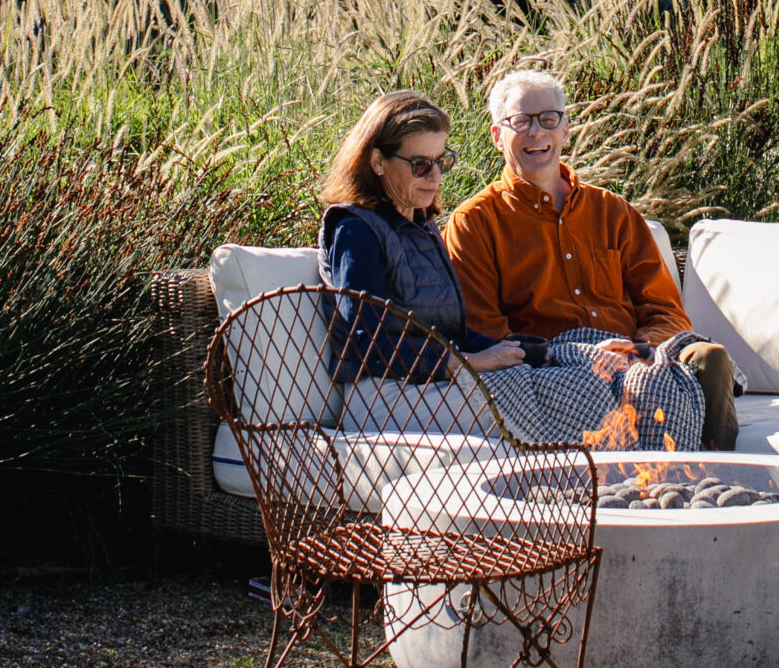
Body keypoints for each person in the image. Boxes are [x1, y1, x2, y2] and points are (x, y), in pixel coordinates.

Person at [443, 69, 739, 451]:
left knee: (708, 357)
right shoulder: (476, 222)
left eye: (549, 119)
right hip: (555, 363)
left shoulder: (612, 211)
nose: (537, 132)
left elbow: (666, 311)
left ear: (565, 129)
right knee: (589, 384)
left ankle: (715, 476)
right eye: (521, 121)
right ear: (498, 136)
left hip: (639, 352)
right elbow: (486, 331)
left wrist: (638, 350)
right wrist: (579, 358)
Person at [316, 90, 525, 385]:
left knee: (573, 373)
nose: (436, 177)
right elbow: (362, 345)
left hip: (429, 383)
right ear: (377, 161)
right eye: (421, 165)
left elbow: (450, 334)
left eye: (442, 162)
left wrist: (513, 349)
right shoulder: (356, 230)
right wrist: (467, 363)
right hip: (383, 394)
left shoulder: (420, 223)